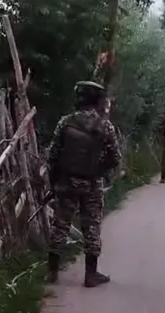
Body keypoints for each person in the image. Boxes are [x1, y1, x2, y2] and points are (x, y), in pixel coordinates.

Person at [46, 81, 122, 287]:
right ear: (97, 100)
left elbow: (52, 156)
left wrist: (53, 183)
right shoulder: (104, 126)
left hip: (65, 182)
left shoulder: (65, 122)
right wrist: (98, 170)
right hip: (91, 184)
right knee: (92, 227)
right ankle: (91, 275)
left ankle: (52, 273)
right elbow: (115, 158)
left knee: (60, 225)